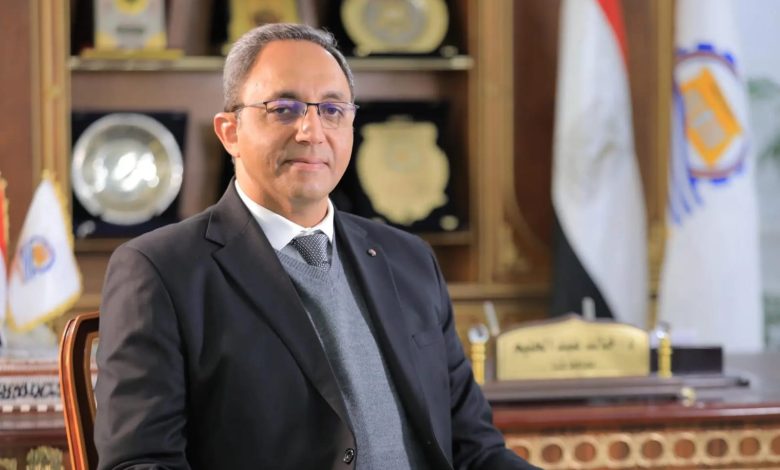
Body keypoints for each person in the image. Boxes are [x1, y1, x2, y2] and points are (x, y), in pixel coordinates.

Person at [94, 23, 539, 470]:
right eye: (283, 109)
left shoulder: (410, 260)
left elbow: (476, 451)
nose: (312, 131)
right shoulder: (161, 270)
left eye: (332, 110)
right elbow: (140, 463)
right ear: (230, 132)